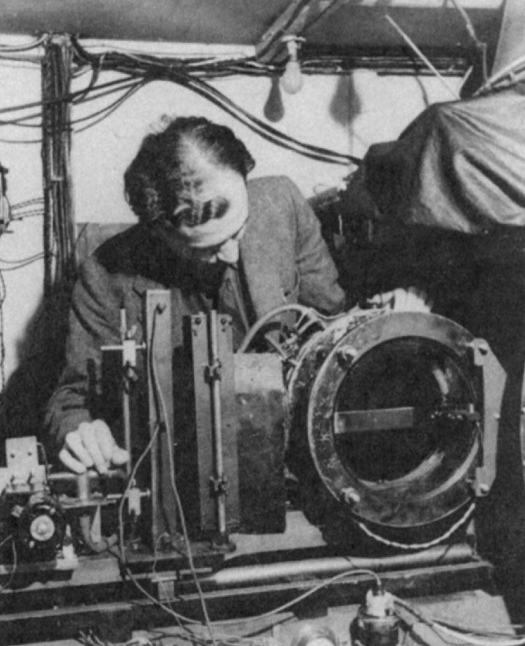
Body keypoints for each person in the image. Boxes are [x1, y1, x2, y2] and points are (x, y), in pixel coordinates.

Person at [44, 116, 347, 474]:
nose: (232, 254)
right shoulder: (105, 275)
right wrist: (81, 433)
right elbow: (70, 403)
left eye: (239, 229)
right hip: (182, 477)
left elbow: (335, 330)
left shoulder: (283, 206)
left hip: (293, 464)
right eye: (212, 247)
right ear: (159, 232)